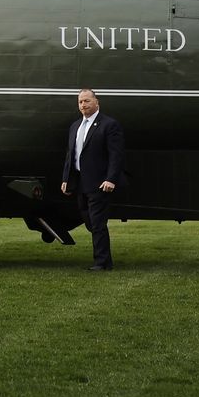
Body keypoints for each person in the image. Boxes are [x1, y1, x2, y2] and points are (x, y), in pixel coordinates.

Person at [61, 87, 127, 271]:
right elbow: (71, 155)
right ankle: (103, 257)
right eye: (80, 102)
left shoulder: (109, 125)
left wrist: (111, 179)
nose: (83, 104)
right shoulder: (75, 126)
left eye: (87, 101)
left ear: (97, 102)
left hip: (100, 183)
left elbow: (116, 155)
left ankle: (102, 262)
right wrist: (66, 178)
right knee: (89, 220)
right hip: (80, 182)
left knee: (97, 223)